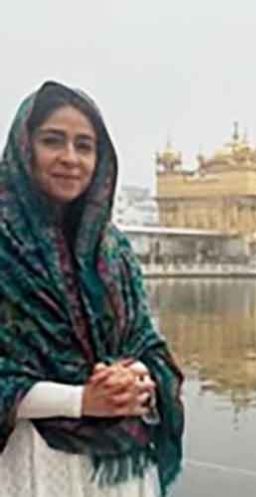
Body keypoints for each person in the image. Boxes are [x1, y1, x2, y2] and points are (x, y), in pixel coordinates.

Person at [0, 81, 184, 497]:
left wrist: (135, 378)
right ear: (24, 147)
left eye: (84, 146)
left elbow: (148, 346)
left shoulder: (111, 249)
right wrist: (81, 400)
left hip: (121, 469)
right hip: (32, 464)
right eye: (53, 141)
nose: (70, 158)